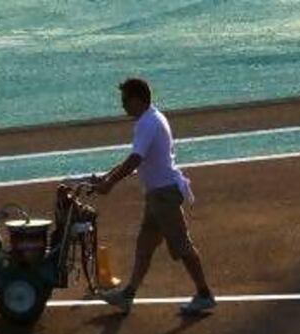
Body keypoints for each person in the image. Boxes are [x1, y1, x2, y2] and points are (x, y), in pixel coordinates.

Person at [92, 78, 215, 315]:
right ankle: (128, 294)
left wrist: (110, 183)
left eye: (125, 100)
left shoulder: (147, 123)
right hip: (157, 195)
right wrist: (106, 177)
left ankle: (204, 294)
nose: (122, 106)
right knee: (145, 245)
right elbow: (136, 159)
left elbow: (135, 160)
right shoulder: (152, 118)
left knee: (182, 247)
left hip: (163, 195)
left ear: (137, 99)